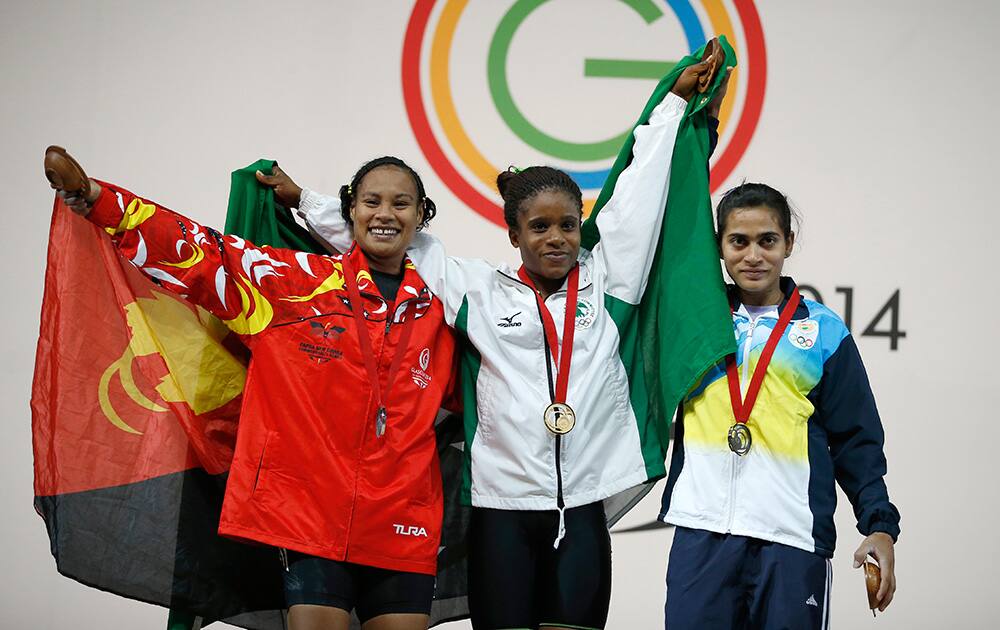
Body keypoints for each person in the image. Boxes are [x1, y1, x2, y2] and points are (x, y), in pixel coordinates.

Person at [260, 52, 732, 630]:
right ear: (513, 233)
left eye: (567, 225)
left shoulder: (611, 280)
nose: (556, 238)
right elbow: (391, 240)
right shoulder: (477, 291)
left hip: (581, 510)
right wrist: (305, 202)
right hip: (500, 510)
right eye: (539, 226)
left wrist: (673, 104)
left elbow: (641, 190)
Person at [47, 151, 457, 630]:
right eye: (372, 201)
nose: (385, 214)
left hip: (403, 515)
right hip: (310, 515)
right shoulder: (292, 284)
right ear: (351, 211)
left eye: (401, 204)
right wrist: (97, 199)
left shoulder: (446, 308)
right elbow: (201, 253)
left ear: (421, 217)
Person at [658, 182, 900, 629]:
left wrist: (879, 524)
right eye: (739, 241)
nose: (753, 255)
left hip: (791, 539)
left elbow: (856, 441)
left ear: (788, 242)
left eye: (767, 240)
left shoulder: (824, 332)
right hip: (702, 532)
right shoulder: (695, 322)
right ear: (719, 247)